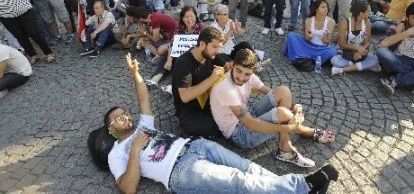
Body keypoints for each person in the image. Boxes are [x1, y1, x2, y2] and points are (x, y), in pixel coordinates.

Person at [106, 53, 339, 194]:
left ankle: (289, 188)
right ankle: (303, 187)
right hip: (179, 171)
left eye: (124, 113)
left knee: (248, 168)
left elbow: (143, 98)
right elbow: (128, 188)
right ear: (111, 129)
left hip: (195, 146)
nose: (124, 117)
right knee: (238, 182)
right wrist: (135, 150)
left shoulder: (143, 126)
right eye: (117, 118)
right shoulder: (117, 153)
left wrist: (135, 73)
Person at [210, 48, 335, 168]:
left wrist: (293, 105)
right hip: (239, 134)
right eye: (238, 71)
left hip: (249, 114)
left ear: (253, 71)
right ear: (233, 65)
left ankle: (287, 143)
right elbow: (251, 125)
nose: (241, 77)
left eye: (247, 74)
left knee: (283, 91)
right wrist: (288, 127)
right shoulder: (226, 89)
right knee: (283, 114)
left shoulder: (250, 77)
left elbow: (271, 92)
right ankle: (289, 146)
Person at [171, 27, 226, 137]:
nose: (217, 51)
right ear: (202, 44)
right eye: (214, 47)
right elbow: (185, 97)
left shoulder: (210, 54)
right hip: (189, 109)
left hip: (208, 100)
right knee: (217, 126)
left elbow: (227, 66)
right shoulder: (183, 63)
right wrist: (212, 78)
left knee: (228, 117)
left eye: (219, 47)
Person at [0, 0, 54, 65]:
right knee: (20, 36)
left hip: (24, 11)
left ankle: (48, 53)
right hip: (6, 16)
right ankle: (33, 55)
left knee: (34, 33)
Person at [284, 0, 337, 71]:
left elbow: (328, 41)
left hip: (321, 49)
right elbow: (307, 37)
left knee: (332, 51)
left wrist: (324, 40)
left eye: (326, 7)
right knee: (291, 35)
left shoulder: (331, 21)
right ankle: (306, 58)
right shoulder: (309, 20)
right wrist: (308, 36)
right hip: (308, 45)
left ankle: (312, 61)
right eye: (323, 7)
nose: (326, 9)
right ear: (316, 9)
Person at [330, 1, 380, 76]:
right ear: (361, 13)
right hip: (345, 52)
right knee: (334, 61)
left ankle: (342, 70)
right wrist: (356, 48)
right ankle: (361, 66)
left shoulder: (367, 23)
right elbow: (341, 44)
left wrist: (360, 51)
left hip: (361, 54)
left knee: (375, 59)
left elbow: (368, 42)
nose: (370, 13)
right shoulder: (345, 22)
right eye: (368, 11)